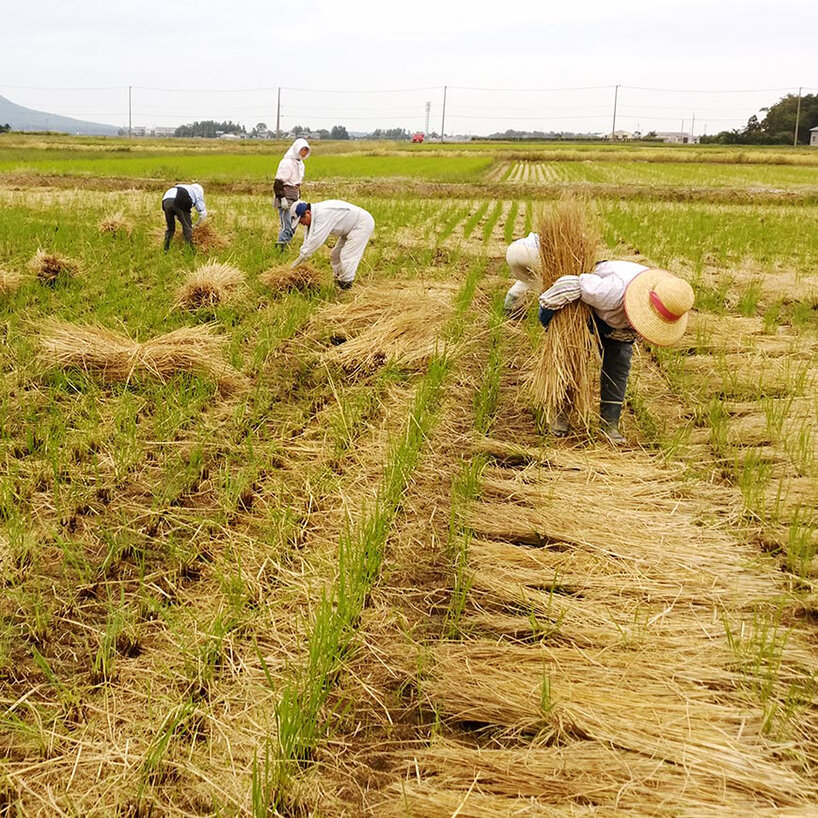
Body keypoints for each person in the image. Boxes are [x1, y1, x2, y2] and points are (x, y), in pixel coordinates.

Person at [538, 261, 695, 444]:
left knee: (619, 363)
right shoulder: (608, 291)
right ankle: (560, 412)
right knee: (572, 356)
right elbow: (568, 285)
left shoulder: (672, 301)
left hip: (617, 326)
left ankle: (609, 423)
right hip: (586, 311)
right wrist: (550, 320)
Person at [289, 200, 375, 289]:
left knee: (347, 256)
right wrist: (302, 255)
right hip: (350, 228)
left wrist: (294, 265)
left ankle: (346, 285)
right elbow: (308, 238)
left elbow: (316, 240)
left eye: (301, 221)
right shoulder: (315, 214)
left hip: (362, 224)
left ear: (308, 213)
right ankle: (338, 280)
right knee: (335, 254)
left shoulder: (323, 214)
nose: (302, 224)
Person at [274, 138, 311, 249]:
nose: (303, 153)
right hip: (285, 193)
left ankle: (285, 246)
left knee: (294, 224)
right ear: (296, 149)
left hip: (295, 194)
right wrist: (282, 198)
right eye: (302, 150)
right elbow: (278, 182)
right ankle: (280, 249)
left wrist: (298, 197)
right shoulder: (286, 162)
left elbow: (297, 183)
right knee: (287, 225)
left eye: (305, 150)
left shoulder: (300, 164)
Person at [162, 183, 207, 251]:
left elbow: (177, 213)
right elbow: (203, 214)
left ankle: (166, 249)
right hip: (180, 199)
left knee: (170, 228)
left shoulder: (185, 187)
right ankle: (189, 250)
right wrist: (196, 225)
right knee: (187, 227)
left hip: (166, 200)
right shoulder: (197, 193)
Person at [504, 232, 541, 315]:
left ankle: (511, 308)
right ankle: (545, 310)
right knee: (544, 280)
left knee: (526, 280)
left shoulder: (536, 234)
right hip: (532, 251)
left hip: (512, 250)